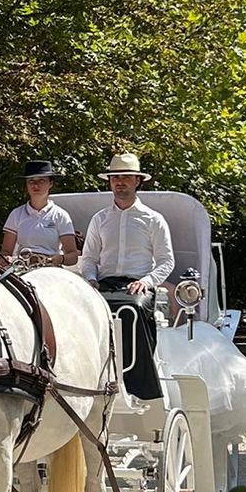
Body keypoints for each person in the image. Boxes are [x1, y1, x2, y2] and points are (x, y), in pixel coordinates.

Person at [80, 151, 174, 396]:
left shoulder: (153, 219)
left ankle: (139, 386)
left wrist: (147, 281)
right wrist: (90, 279)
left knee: (133, 309)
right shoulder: (100, 219)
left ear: (137, 181)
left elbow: (166, 261)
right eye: (115, 178)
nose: (119, 182)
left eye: (125, 177)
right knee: (82, 311)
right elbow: (89, 258)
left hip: (138, 285)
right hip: (105, 284)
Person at [0, 160, 79, 269]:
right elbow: (6, 251)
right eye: (31, 181)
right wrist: (6, 258)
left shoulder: (60, 215)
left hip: (51, 269)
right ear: (26, 185)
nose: (35, 185)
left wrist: (60, 259)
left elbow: (73, 256)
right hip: (22, 268)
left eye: (41, 180)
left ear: (50, 184)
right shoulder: (16, 214)